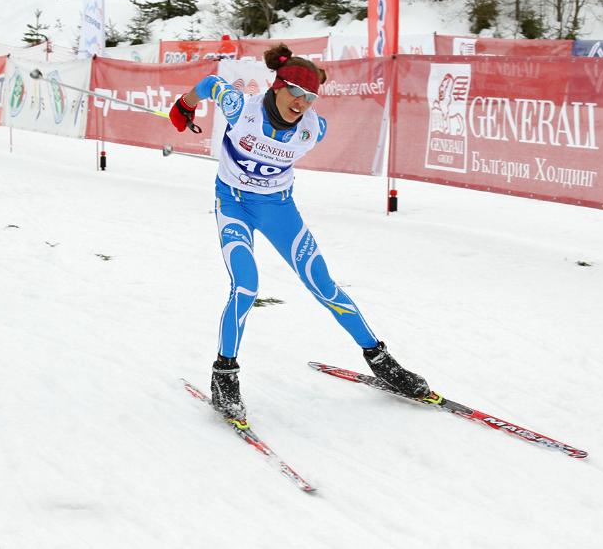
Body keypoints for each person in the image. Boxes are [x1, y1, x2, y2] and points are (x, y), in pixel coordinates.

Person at [169, 44, 431, 422]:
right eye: (296, 91)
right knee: (246, 286)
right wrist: (185, 105)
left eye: (310, 97)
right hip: (234, 204)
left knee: (323, 285)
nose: (302, 103)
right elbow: (211, 83)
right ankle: (224, 375)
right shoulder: (240, 108)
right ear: (278, 85)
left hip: (278, 208)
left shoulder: (313, 129)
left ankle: (382, 361)